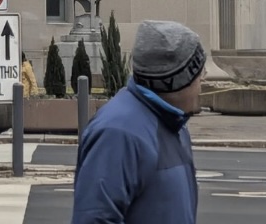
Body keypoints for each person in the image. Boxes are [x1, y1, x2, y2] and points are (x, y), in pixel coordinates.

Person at [70, 20, 203, 224]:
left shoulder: (173, 123)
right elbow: (95, 218)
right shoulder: (116, 132)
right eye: (199, 77)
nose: (202, 86)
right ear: (178, 82)